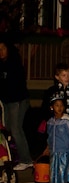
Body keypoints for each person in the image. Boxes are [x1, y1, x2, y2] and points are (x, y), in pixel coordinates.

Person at [0, 39, 33, 171]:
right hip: (7, 101)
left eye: (3, 48)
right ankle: (13, 156)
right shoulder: (1, 64)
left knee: (15, 129)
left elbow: (14, 85)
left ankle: (26, 160)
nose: (1, 52)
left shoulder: (14, 63)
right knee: (7, 128)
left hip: (17, 100)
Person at [42, 95, 69, 183]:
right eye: (56, 105)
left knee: (62, 171)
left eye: (61, 105)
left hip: (64, 151)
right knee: (54, 171)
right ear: (52, 107)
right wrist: (48, 148)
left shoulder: (67, 122)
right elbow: (49, 137)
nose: (59, 108)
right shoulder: (50, 122)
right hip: (54, 151)